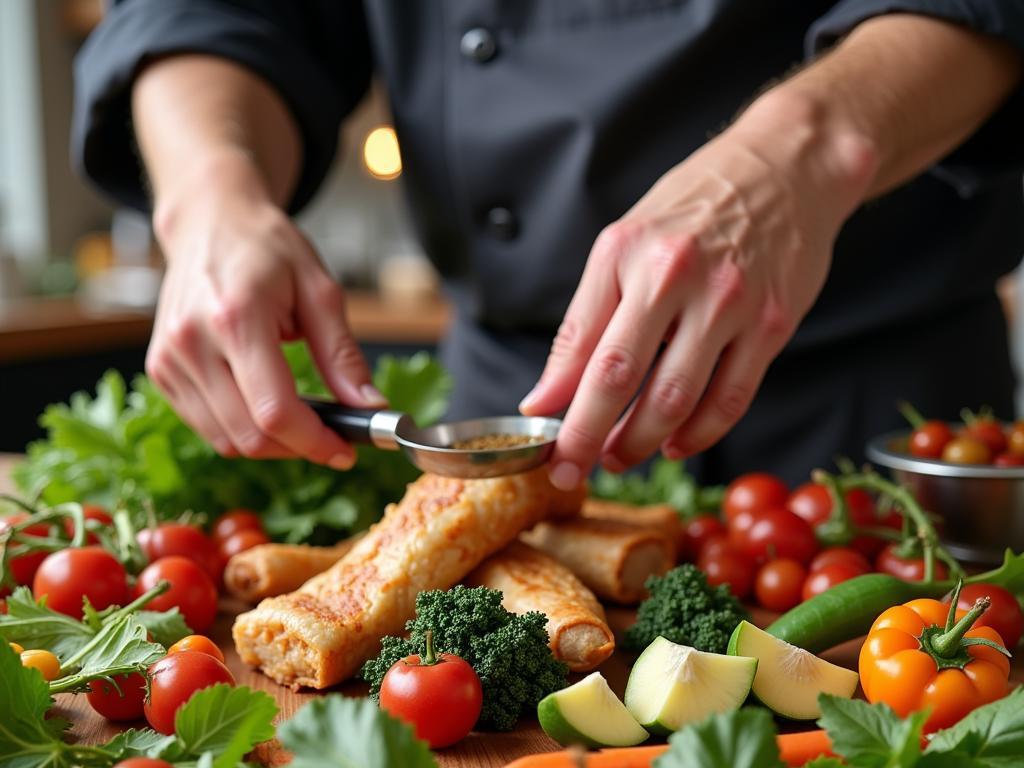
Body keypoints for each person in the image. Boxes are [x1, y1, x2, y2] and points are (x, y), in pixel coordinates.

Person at [73, 2, 1024, 488]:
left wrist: (802, 156)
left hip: (871, 427)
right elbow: (216, 13)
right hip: (509, 421)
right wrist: (207, 195)